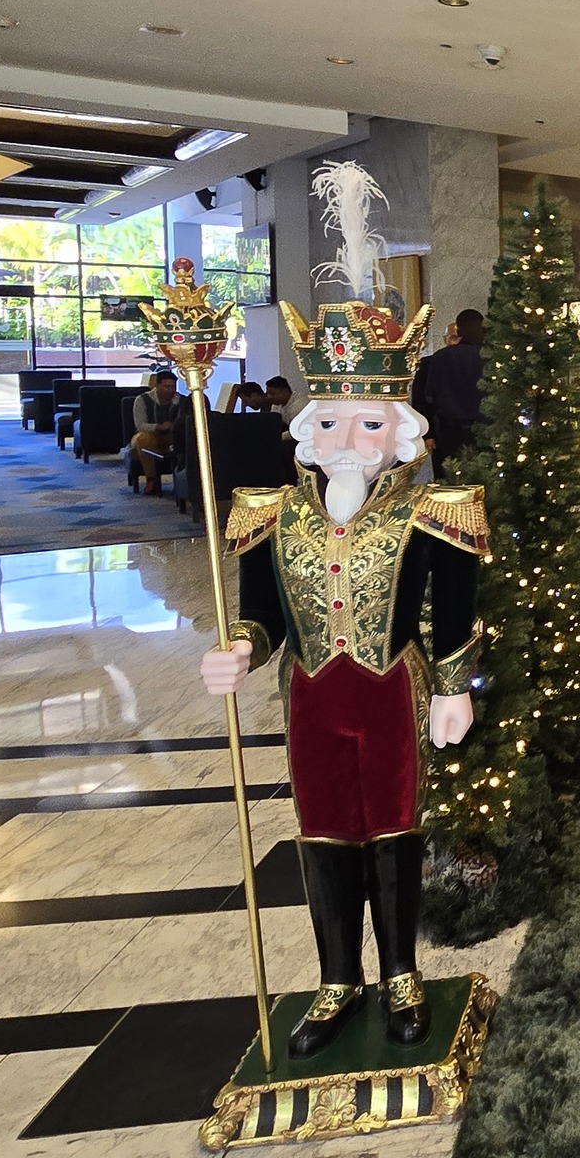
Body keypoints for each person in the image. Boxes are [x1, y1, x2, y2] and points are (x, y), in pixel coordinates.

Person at [198, 164, 489, 1060]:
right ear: (309, 428)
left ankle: (399, 969)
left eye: (370, 424)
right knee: (323, 831)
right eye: (334, 423)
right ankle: (337, 976)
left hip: (391, 689)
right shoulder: (270, 512)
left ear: (398, 430)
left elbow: (454, 604)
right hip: (313, 698)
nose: (349, 439)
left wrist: (452, 686)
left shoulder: (429, 511)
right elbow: (262, 611)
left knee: (394, 828)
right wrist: (241, 647)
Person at [412, 308, 486, 470]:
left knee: (449, 485)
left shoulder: (439, 358)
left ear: (459, 330)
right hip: (486, 434)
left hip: (448, 433)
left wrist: (429, 434)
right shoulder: (492, 358)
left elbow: (427, 398)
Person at [127, 366, 184, 494]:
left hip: (172, 436)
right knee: (142, 439)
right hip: (150, 434)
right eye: (166, 387)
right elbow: (140, 424)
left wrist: (173, 426)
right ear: (156, 386)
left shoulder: (180, 401)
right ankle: (151, 479)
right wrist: (158, 427)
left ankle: (184, 480)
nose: (170, 390)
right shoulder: (142, 400)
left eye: (173, 387)